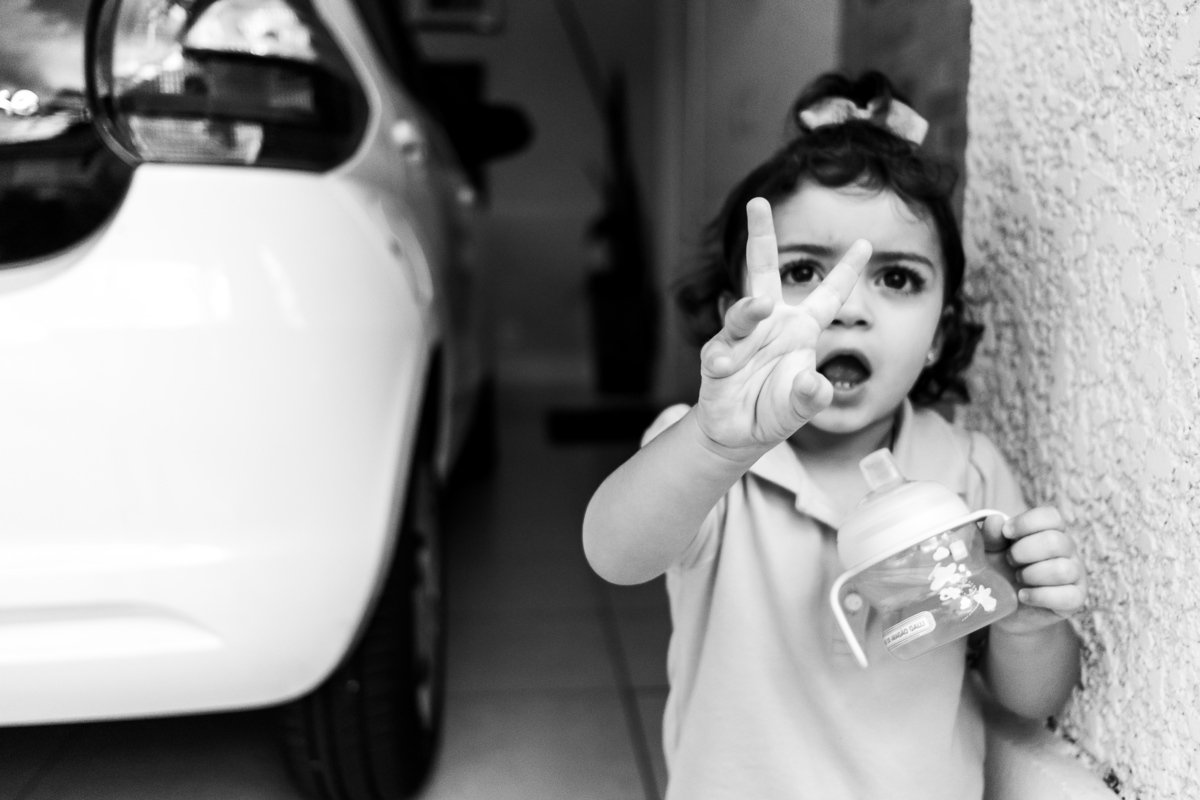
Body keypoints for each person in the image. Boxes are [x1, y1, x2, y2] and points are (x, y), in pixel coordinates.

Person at [582, 71, 1087, 800]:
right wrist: (716, 444)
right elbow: (613, 553)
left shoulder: (968, 473)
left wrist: (1031, 624)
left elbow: (1031, 700)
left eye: (898, 279)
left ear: (941, 336)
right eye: (804, 272)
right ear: (739, 313)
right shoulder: (707, 461)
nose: (844, 308)